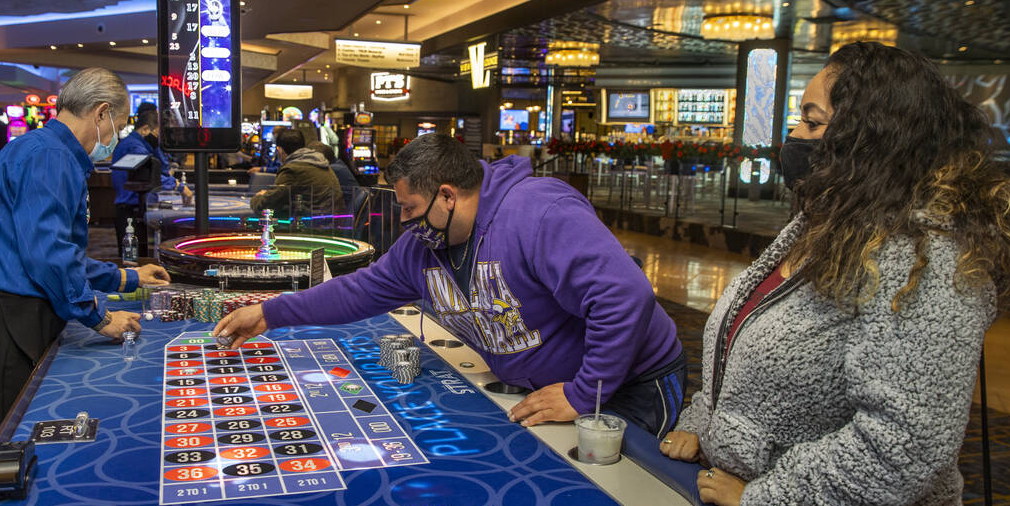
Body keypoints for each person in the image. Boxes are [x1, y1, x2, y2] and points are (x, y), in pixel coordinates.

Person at [659, 42, 1010, 506]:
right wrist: (709, 424)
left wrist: (763, 500)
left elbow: (900, 446)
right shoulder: (826, 223)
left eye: (813, 122)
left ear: (873, 136)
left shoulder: (923, 255)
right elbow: (746, 348)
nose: (795, 136)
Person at [215, 133, 687, 435]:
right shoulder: (422, 246)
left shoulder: (540, 212)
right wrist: (271, 312)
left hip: (628, 383)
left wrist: (585, 393)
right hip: (555, 389)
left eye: (409, 208)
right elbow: (359, 290)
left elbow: (624, 297)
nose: (403, 222)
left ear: (447, 195)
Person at [0, 68, 171, 506]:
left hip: (11, 316)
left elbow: (56, 253)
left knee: (1, 448)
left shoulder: (43, 151)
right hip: (8, 322)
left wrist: (126, 278)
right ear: (101, 114)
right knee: (3, 463)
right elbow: (47, 258)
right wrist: (100, 318)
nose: (115, 139)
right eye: (117, 128)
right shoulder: (50, 158)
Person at [111, 104, 192, 256]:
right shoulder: (134, 146)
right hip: (130, 209)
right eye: (157, 133)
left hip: (133, 207)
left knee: (136, 257)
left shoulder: (139, 144)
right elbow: (150, 174)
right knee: (133, 259)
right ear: (145, 129)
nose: (158, 138)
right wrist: (179, 186)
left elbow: (160, 167)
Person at [250, 128, 346, 219]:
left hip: (315, 227)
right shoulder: (318, 161)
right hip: (332, 222)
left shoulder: (292, 170)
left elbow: (266, 205)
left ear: (280, 150)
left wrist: (257, 197)